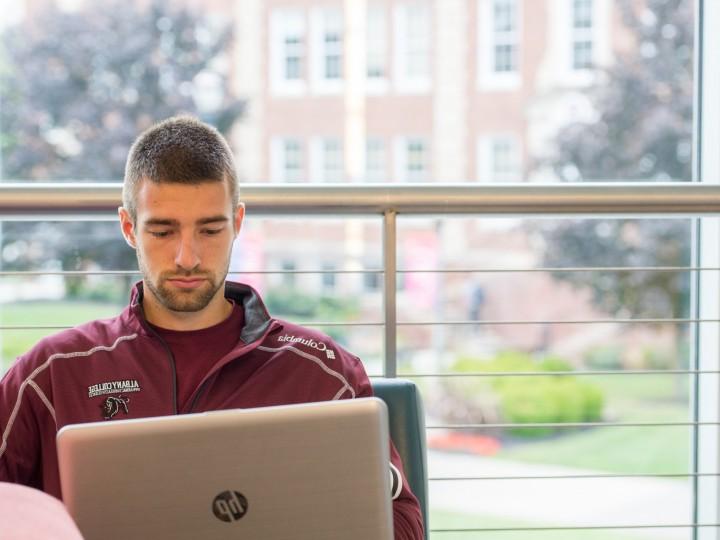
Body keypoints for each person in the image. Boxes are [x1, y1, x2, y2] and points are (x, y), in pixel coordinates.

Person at [0, 116, 424, 539]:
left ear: (238, 222)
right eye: (163, 231)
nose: (188, 256)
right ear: (129, 228)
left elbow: (404, 527)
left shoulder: (320, 371)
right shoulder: (51, 375)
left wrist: (359, 481)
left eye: (210, 229)